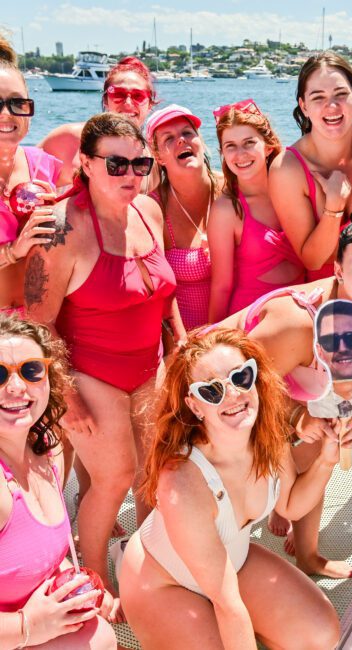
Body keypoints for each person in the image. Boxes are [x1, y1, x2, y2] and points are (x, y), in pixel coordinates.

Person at [23, 112, 184, 616]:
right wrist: (64, 398)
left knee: (152, 478)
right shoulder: (61, 231)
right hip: (91, 375)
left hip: (149, 367)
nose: (130, 174)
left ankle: (151, 569)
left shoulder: (149, 213)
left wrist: (180, 344)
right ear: (86, 165)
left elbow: (164, 290)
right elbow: (38, 324)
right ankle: (95, 578)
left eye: (139, 162)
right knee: (113, 478)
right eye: (115, 163)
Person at [118, 327, 342, 649]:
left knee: (319, 635)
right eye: (212, 391)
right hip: (164, 583)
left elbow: (291, 505)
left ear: (256, 377)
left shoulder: (264, 435)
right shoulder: (183, 481)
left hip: (232, 562)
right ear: (195, 406)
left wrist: (326, 460)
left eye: (241, 377)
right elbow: (228, 604)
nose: (233, 395)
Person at [219, 209, 352, 575]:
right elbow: (235, 392)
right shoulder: (298, 324)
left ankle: (308, 554)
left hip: (278, 382)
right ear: (337, 271)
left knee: (321, 441)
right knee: (268, 477)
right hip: (212, 396)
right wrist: (295, 418)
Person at [0, 314, 117, 648]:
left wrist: (73, 583)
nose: (16, 387)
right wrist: (27, 626)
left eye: (31, 370)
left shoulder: (47, 450)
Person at [269, 51, 352, 280]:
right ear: (304, 106)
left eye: (340, 94)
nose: (332, 106)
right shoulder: (287, 168)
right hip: (330, 300)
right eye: (318, 97)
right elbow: (313, 260)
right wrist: (334, 207)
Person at [208, 100, 303, 322]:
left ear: (268, 146)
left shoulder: (294, 190)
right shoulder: (227, 209)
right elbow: (221, 286)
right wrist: (212, 339)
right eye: (230, 146)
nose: (240, 154)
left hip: (301, 314)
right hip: (252, 321)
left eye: (249, 143)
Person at [0, 36, 62, 316]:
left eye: (17, 103)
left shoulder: (48, 168)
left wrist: (63, 219)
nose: (6, 114)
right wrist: (15, 249)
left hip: (39, 328)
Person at [147, 104, 222, 330]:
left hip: (235, 333)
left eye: (187, 133)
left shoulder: (230, 190)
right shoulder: (154, 208)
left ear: (200, 140)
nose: (181, 140)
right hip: (184, 339)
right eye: (168, 138)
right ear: (158, 157)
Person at [39, 56, 158, 189]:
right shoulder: (70, 138)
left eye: (138, 96)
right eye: (118, 94)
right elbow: (23, 177)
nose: (128, 103)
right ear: (106, 101)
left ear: (149, 104)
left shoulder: (150, 159)